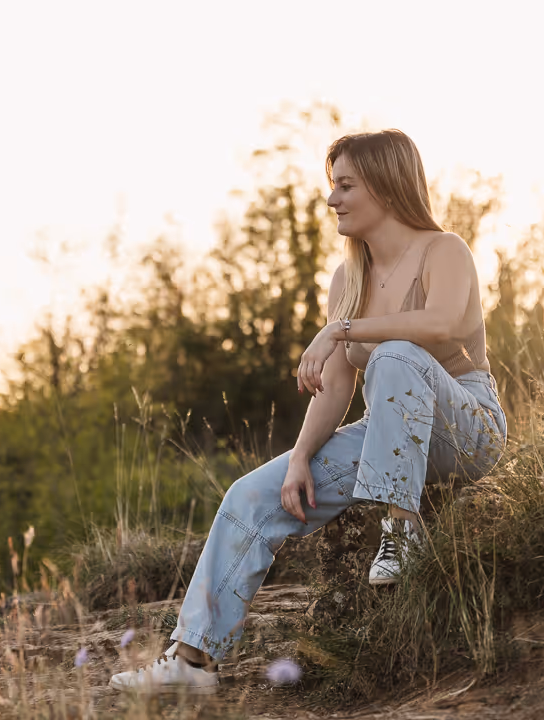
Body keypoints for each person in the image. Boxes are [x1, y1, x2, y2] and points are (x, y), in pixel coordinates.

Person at [109, 129, 508, 693]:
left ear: (385, 186)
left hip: (466, 427)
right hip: (386, 431)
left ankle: (403, 531)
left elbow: (440, 324)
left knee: (395, 354)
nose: (331, 199)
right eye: (332, 185)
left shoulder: (444, 250)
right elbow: (337, 386)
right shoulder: (348, 278)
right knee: (250, 495)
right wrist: (300, 458)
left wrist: (341, 329)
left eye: (346, 185)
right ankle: (192, 661)